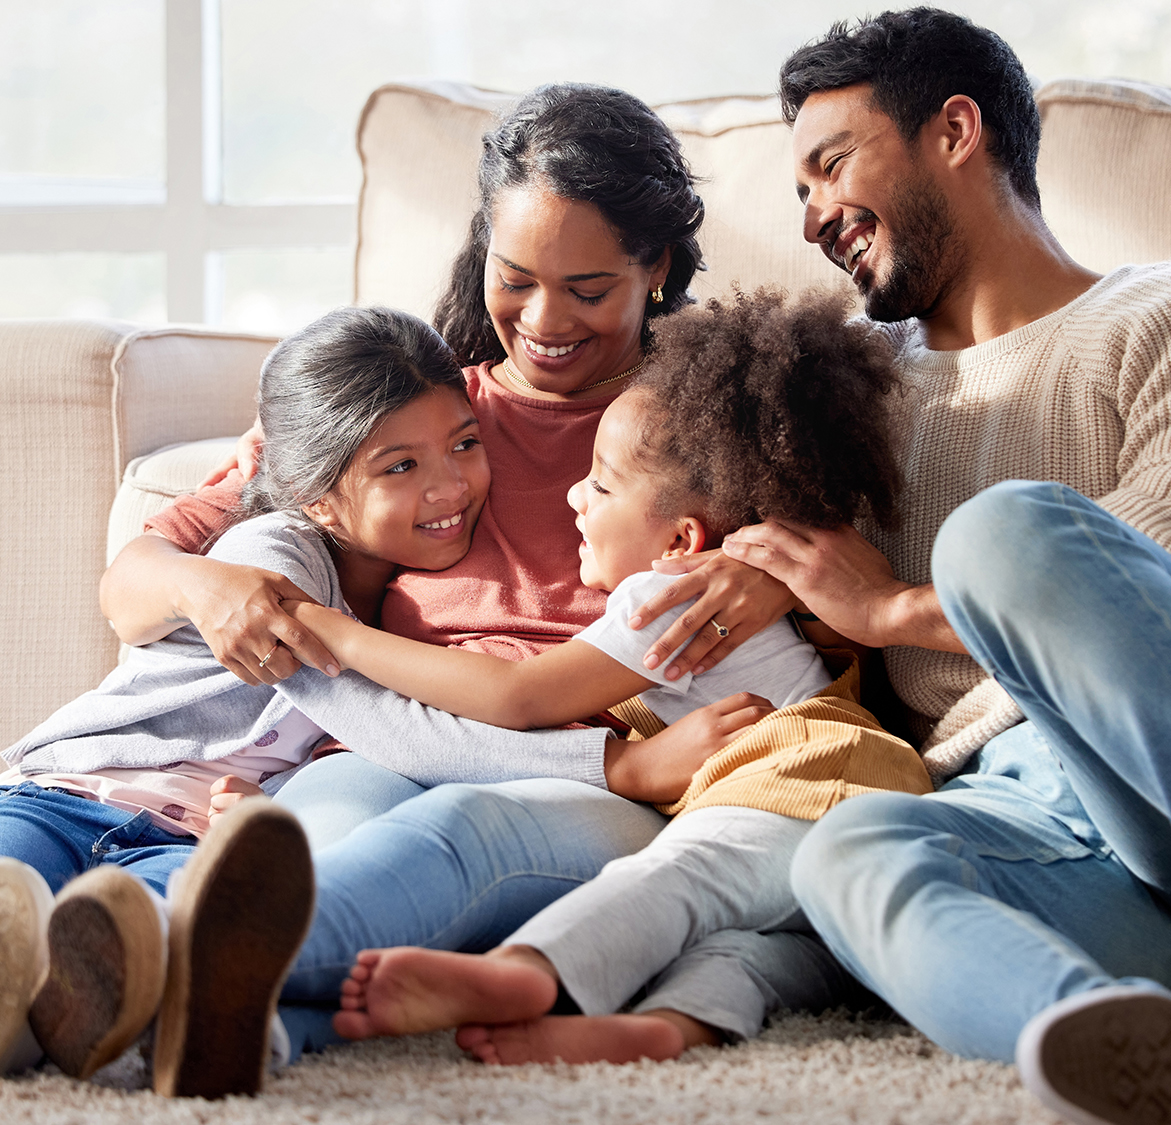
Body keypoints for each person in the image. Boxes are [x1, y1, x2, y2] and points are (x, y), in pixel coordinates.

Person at [620, 10, 1171, 1125]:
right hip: (1027, 817)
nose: (813, 216)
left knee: (1005, 530)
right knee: (846, 854)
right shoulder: (843, 383)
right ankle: (1130, 1048)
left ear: (955, 129)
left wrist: (889, 607)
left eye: (829, 165)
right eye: (795, 192)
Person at [100, 83, 854, 1091]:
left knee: (450, 840)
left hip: (589, 767)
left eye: (587, 290)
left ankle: (133, 967)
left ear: (656, 269)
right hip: (392, 734)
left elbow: (837, 582)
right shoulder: (416, 401)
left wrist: (763, 573)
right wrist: (207, 590)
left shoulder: (706, 415)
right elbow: (136, 578)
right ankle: (247, 1030)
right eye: (516, 279)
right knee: (310, 840)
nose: (543, 323)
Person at [0, 306, 731, 1093]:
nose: (452, 487)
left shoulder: (388, 585)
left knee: (112, 955)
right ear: (315, 496)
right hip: (61, 793)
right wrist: (609, 764)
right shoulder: (275, 567)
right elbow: (397, 727)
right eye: (399, 466)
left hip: (183, 841)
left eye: (464, 442)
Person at [292, 290, 929, 1065]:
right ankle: (664, 1028)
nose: (572, 495)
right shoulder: (720, 579)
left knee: (682, 877)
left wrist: (341, 637)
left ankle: (526, 972)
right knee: (751, 943)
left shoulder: (664, 595)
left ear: (682, 536)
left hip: (813, 776)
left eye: (598, 484)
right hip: (837, 799)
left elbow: (516, 697)